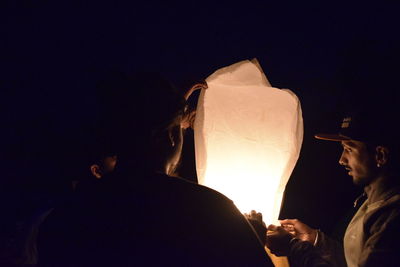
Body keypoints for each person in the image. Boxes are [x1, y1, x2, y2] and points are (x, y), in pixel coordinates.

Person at [37, 72, 272, 266]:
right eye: (179, 129)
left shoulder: (67, 217)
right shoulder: (210, 211)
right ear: (170, 136)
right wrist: (249, 239)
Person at [266, 107, 400, 267]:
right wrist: (314, 239)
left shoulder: (392, 218)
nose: (342, 160)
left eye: (349, 149)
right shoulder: (369, 202)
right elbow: (353, 261)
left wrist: (293, 247)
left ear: (380, 155)